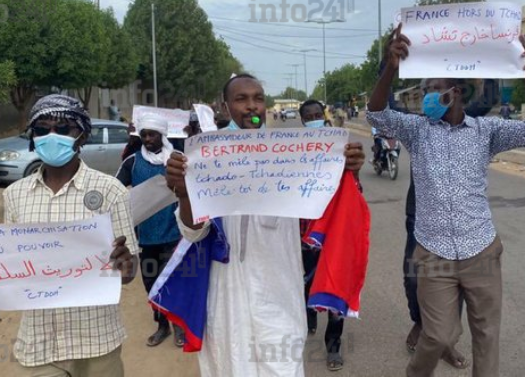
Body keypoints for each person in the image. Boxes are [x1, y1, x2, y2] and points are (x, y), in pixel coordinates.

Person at [367, 25, 525, 377]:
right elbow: (377, 115)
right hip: (433, 251)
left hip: (480, 249)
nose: (426, 96)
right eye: (425, 90)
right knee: (437, 335)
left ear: (456, 93)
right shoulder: (417, 130)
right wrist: (390, 68)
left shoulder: (487, 131)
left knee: (486, 335)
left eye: (433, 89)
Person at [164, 74, 365, 377]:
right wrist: (182, 191)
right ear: (225, 105)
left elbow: (329, 211)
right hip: (226, 296)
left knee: (282, 366)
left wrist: (348, 169)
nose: (250, 106)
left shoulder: (293, 154)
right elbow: (194, 231)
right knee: (229, 366)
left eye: (257, 98)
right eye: (241, 99)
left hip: (280, 291)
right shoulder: (205, 157)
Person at [3, 94, 138, 377]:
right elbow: (14, 263)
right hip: (39, 343)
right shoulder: (15, 195)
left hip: (96, 340)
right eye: (42, 130)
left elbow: (129, 272)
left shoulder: (110, 190)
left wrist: (124, 265)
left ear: (82, 135)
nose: (52, 136)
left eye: (63, 129)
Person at [299, 99, 360, 371]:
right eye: (308, 116)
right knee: (306, 283)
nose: (313, 118)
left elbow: (354, 189)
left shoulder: (340, 147)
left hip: (336, 232)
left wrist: (353, 170)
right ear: (302, 121)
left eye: (316, 114)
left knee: (337, 285)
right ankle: (309, 315)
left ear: (323, 116)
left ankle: (333, 346)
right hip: (304, 234)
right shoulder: (293, 151)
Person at [116, 115, 185, 348]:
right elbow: (115, 190)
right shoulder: (132, 163)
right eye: (144, 134)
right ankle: (162, 325)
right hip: (145, 237)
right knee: (151, 283)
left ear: (161, 135)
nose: (147, 139)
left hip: (175, 234)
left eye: (152, 135)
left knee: (174, 282)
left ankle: (179, 327)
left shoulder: (176, 160)